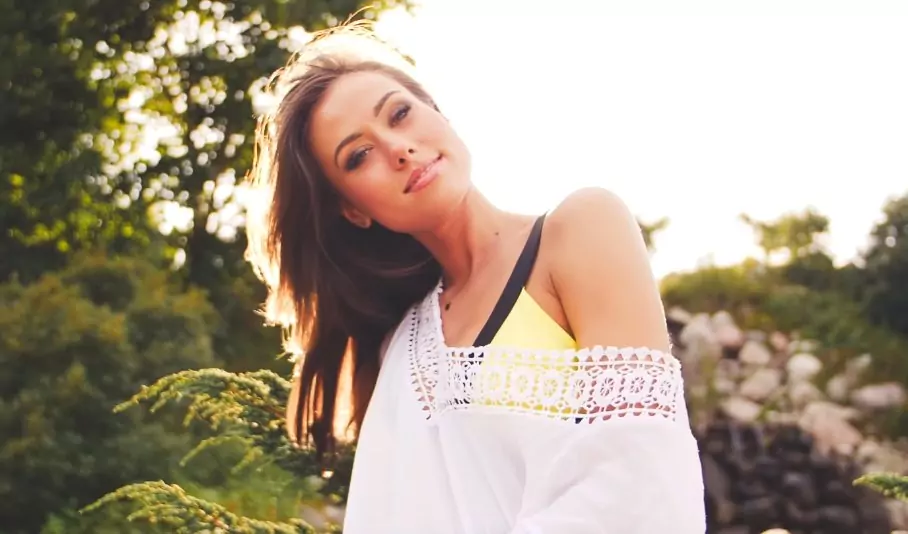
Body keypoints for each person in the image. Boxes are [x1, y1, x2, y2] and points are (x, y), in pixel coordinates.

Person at [246, 23, 706, 534]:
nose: (398, 148)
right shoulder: (400, 349)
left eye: (400, 113)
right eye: (359, 156)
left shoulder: (581, 228)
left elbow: (643, 476)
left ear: (438, 113)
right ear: (353, 210)